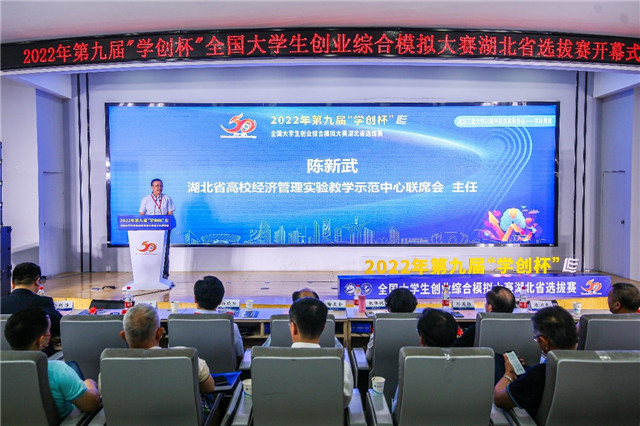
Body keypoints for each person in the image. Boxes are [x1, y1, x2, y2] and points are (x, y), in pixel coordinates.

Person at [4, 306, 101, 419]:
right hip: (65, 420)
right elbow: (91, 404)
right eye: (49, 331)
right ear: (42, 340)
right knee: (73, 369)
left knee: (72, 366)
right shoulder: (57, 371)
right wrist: (89, 383)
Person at [494, 306, 578, 418]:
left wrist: (509, 373)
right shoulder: (591, 366)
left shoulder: (540, 374)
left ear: (544, 342)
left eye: (536, 338)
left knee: (496, 361)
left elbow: (498, 398)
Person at [289, 297, 353, 407]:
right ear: (323, 328)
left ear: (293, 328)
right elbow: (344, 402)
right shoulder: (341, 366)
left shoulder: (267, 365)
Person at [1, 262, 62, 356]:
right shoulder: (43, 303)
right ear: (37, 281)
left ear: (12, 284)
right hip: (41, 357)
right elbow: (61, 327)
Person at [262, 287, 343, 348]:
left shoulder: (278, 327)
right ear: (323, 328)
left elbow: (262, 353)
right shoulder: (325, 325)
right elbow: (340, 351)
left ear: (293, 328)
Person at [194, 275, 244, 362]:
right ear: (221, 301)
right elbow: (240, 356)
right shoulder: (231, 327)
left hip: (190, 371)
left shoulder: (178, 325)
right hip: (225, 371)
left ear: (195, 298)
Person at [365, 288, 418, 362]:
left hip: (382, 370)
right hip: (413, 369)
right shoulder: (421, 327)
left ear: (390, 308)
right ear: (413, 307)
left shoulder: (381, 325)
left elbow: (369, 356)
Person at [139, 178, 175, 279]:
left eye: (161, 186)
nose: (159, 188)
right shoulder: (146, 199)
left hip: (164, 229)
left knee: (164, 251)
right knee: (151, 251)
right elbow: (142, 214)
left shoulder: (167, 198)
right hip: (150, 230)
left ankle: (164, 274)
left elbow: (170, 212)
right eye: (157, 186)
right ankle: (149, 272)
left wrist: (164, 222)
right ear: (152, 187)